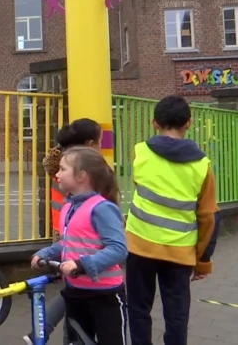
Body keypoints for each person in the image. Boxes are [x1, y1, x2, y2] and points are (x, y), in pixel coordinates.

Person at [126, 95, 219, 345]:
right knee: (176, 317)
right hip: (179, 253)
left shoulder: (140, 152)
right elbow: (208, 217)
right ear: (189, 123)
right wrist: (202, 262)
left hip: (139, 246)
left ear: (154, 122)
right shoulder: (202, 166)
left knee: (138, 311)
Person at [31, 146, 128, 345]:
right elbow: (68, 243)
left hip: (105, 296)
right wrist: (46, 253)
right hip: (75, 292)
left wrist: (80, 264)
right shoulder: (69, 206)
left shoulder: (102, 208)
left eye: (63, 169)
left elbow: (119, 249)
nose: (56, 174)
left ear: (81, 176)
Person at [24, 118, 106, 345]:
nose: (101, 148)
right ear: (90, 144)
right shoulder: (85, 172)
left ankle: (49, 332)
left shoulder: (60, 165)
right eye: (100, 143)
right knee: (76, 292)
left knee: (73, 290)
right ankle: (51, 331)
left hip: (63, 232)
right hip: (83, 236)